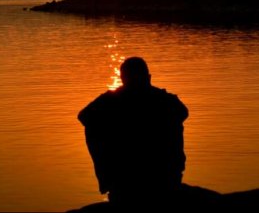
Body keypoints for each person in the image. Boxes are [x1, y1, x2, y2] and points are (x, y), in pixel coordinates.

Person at [78, 57, 188, 208]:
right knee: (92, 126)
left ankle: (110, 179)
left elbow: (84, 116)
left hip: (143, 176)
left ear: (123, 79)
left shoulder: (112, 100)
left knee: (93, 127)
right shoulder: (165, 100)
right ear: (148, 77)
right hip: (157, 176)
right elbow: (183, 112)